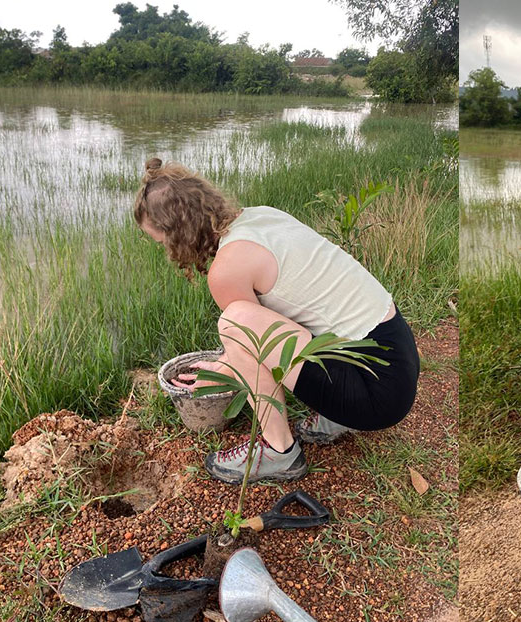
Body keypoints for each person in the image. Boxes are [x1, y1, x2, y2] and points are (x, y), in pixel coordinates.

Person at [133, 158, 420, 484]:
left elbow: (249, 337)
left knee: (232, 323)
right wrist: (228, 363)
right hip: (396, 358)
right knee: (243, 324)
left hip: (377, 395)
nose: (167, 251)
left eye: (162, 242)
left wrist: (222, 369)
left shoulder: (226, 270)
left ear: (179, 233)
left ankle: (279, 452)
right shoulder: (262, 215)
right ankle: (336, 416)